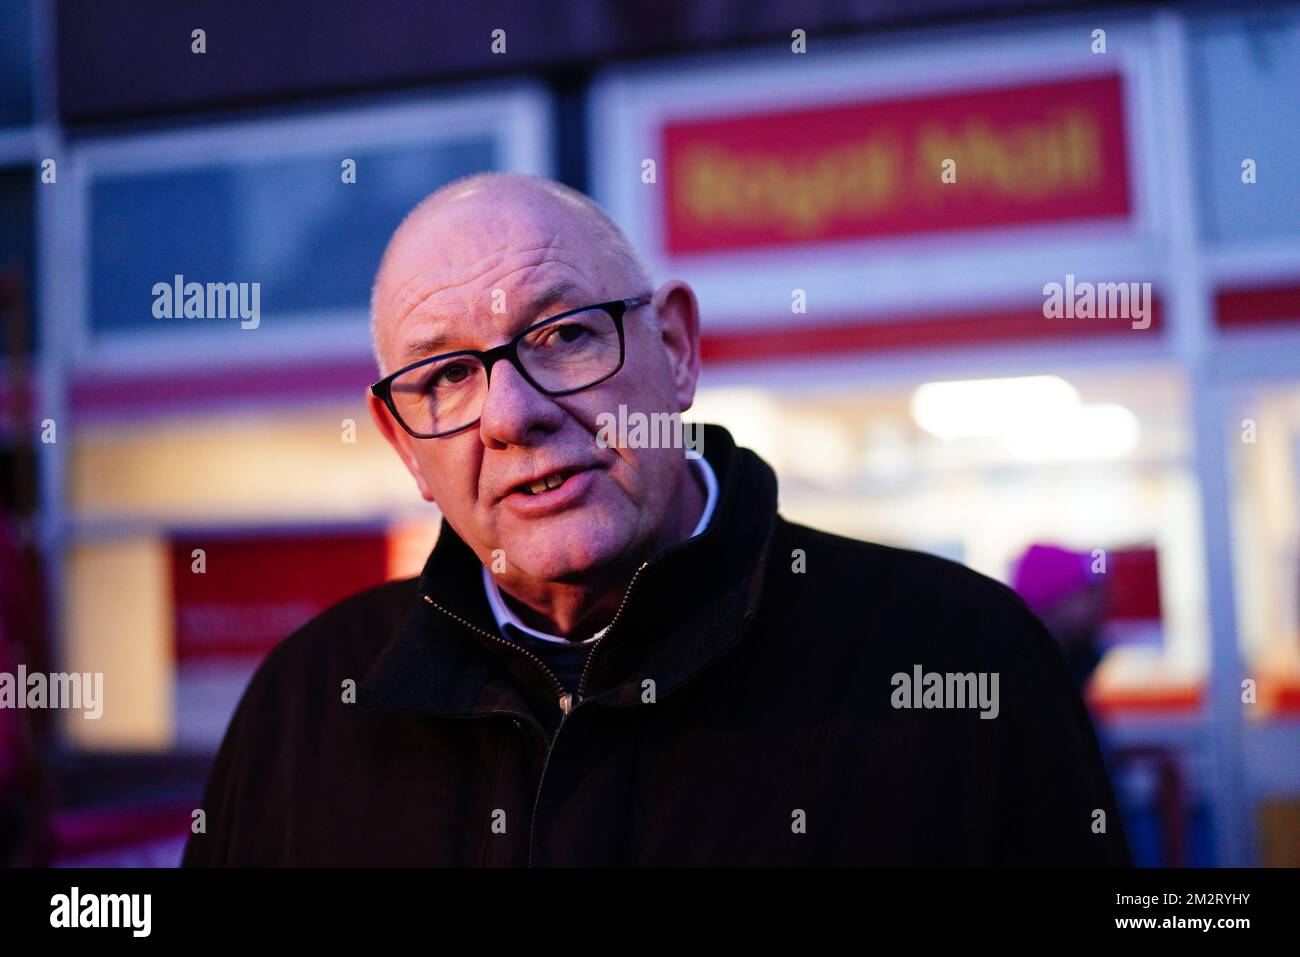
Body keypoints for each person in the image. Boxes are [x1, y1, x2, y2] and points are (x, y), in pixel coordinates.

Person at [182, 172, 1130, 866]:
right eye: (447, 377)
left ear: (675, 350)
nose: (513, 415)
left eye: (563, 335)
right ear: (403, 444)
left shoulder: (965, 656)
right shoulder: (304, 709)